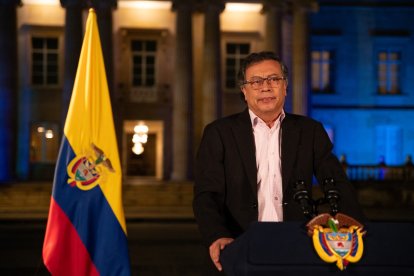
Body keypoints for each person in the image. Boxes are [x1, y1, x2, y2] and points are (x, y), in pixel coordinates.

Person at [193, 51, 365, 274]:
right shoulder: (219, 133)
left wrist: (357, 232)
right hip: (240, 246)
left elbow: (339, 186)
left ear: (285, 87)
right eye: (255, 82)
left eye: (274, 79)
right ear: (244, 91)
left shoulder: (310, 131)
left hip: (298, 248)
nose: (265, 87)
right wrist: (217, 235)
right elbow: (206, 195)